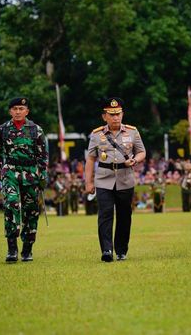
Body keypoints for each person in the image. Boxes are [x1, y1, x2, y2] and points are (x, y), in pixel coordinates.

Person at [84, 97, 146, 262]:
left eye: (118, 114)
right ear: (104, 116)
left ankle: (121, 250)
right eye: (111, 114)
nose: (115, 117)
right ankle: (107, 250)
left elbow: (142, 152)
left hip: (125, 178)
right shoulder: (97, 135)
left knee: (125, 215)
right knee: (105, 214)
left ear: (122, 114)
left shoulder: (132, 131)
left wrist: (136, 160)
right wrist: (89, 182)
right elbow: (90, 159)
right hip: (104, 178)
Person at [0, 97, 49, 263]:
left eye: (21, 109)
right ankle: (12, 248)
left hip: (31, 173)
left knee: (31, 211)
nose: (18, 112)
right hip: (10, 172)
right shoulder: (2, 130)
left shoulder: (36, 130)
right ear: (10, 111)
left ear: (27, 111)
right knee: (11, 204)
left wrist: (43, 175)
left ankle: (27, 248)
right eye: (15, 109)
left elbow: (42, 155)